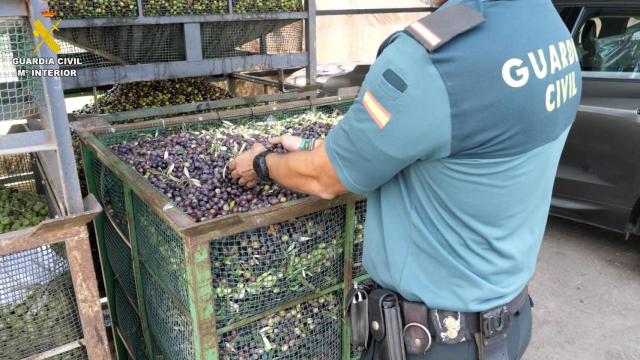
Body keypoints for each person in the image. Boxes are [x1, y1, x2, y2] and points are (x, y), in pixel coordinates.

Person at [230, 0, 582, 358]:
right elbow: (461, 140)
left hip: (435, 343)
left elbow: (326, 178)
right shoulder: (546, 23)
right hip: (511, 321)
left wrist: (261, 163)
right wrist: (312, 145)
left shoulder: (433, 58)